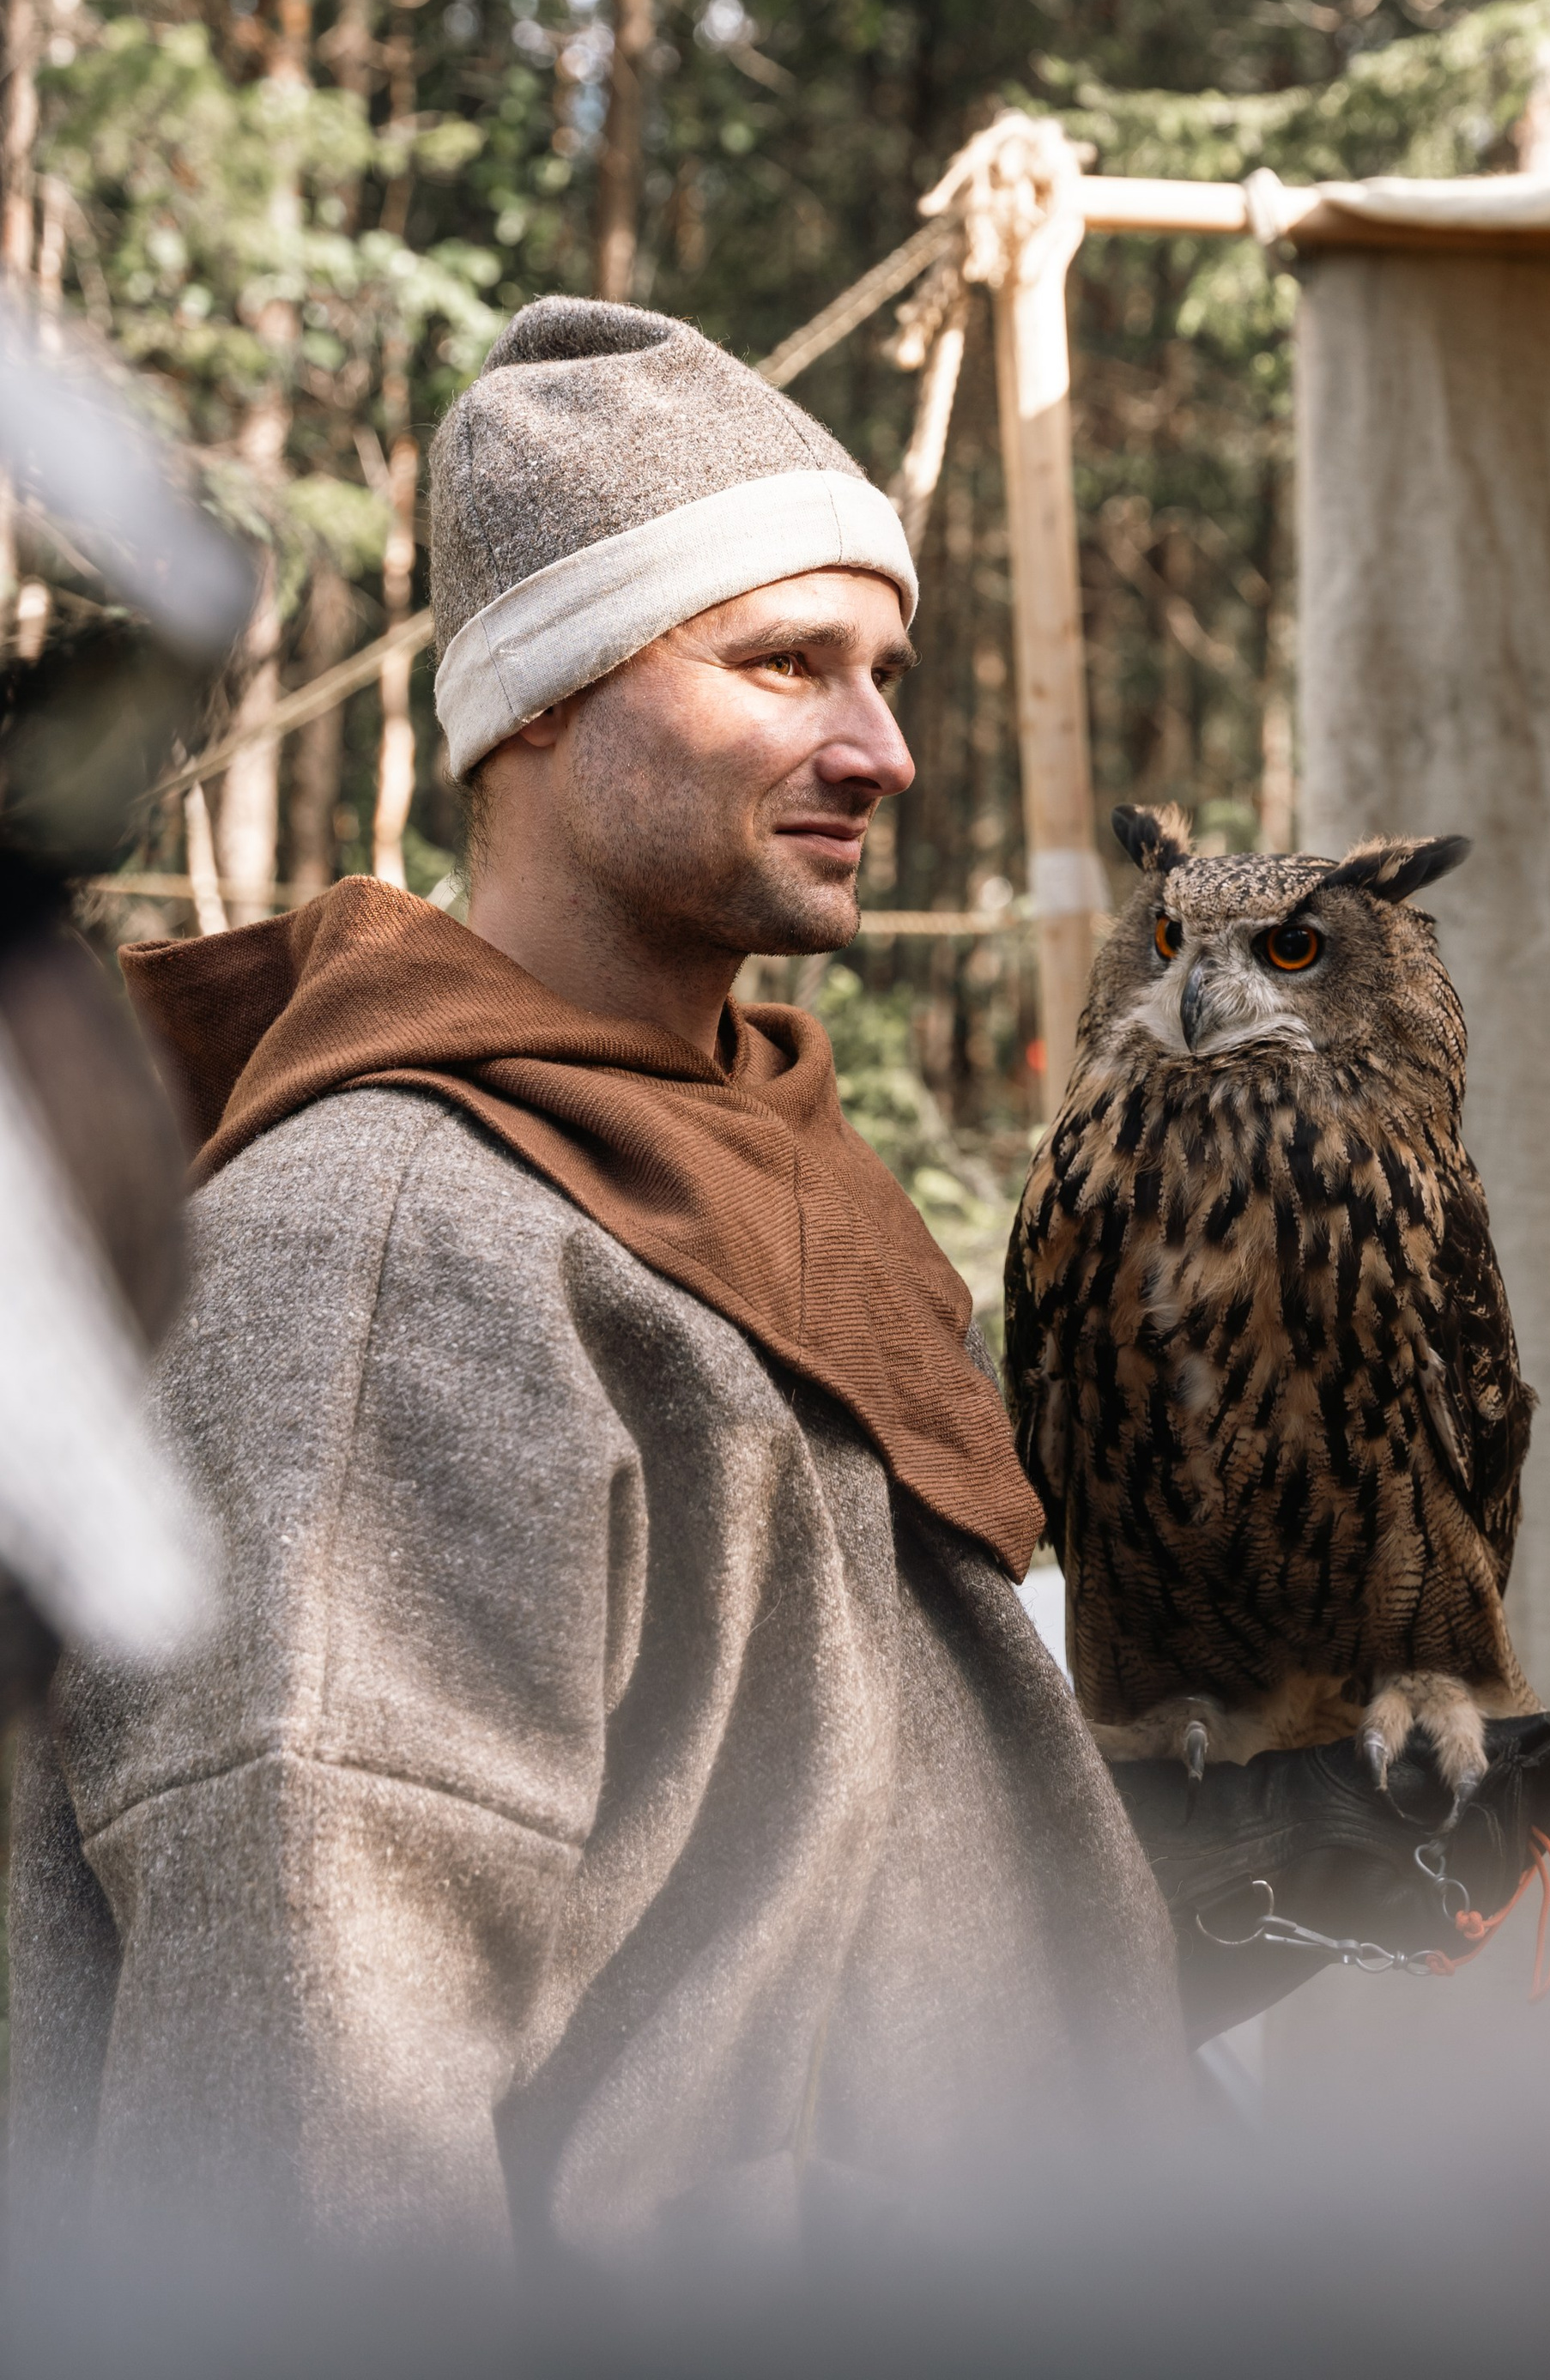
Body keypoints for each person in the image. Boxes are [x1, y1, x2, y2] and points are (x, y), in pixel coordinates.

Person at [6, 298, 1184, 2267]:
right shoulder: (387, 1266)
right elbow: (301, 2132)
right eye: (783, 664)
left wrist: (1208, 1898)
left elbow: (765, 1950)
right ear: (539, 698)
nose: (879, 747)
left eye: (883, 671)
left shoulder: (766, 1182)